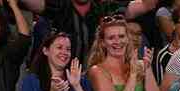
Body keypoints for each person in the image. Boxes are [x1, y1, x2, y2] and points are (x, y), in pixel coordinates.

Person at [27, 0, 159, 66]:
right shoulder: (58, 5)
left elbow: (148, 4)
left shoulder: (105, 7)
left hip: (96, 78)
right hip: (61, 77)